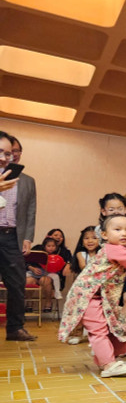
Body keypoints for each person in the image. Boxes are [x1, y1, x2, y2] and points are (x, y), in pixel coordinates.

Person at [58, 214, 126, 377]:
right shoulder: (112, 248)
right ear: (104, 235)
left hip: (99, 297)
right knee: (98, 330)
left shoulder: (121, 250)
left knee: (113, 325)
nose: (124, 233)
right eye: (118, 229)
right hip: (87, 296)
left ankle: (108, 359)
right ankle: (109, 365)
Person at [0, 132, 36, 342]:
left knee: (17, 283)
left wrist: (28, 237)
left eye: (11, 153)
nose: (7, 157)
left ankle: (15, 328)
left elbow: (31, 211)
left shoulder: (27, 181)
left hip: (12, 236)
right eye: (3, 152)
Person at [25, 236, 60, 311]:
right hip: (33, 273)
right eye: (49, 246)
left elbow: (58, 269)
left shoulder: (57, 255)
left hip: (46, 275)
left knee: (45, 280)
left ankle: (48, 302)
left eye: (53, 246)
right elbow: (26, 262)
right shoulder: (38, 252)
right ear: (44, 246)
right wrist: (32, 268)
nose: (51, 248)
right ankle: (29, 302)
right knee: (29, 281)